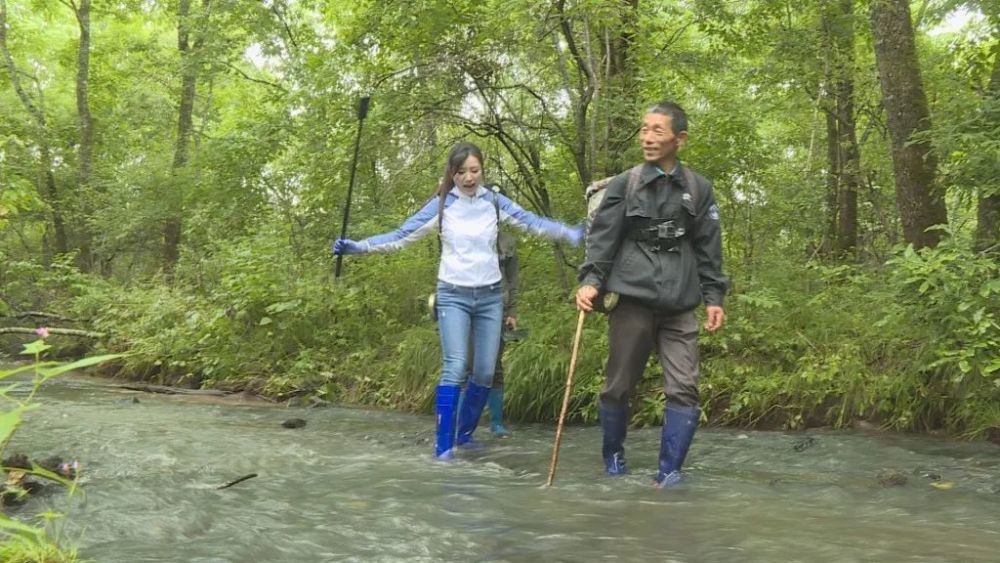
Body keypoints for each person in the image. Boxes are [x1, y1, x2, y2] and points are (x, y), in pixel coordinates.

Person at [333, 142, 582, 460]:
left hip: (491, 297)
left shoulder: (493, 201)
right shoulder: (441, 204)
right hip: (453, 295)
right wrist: (359, 246)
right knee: (455, 367)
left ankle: (463, 435)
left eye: (474, 170)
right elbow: (400, 236)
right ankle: (443, 447)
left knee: (484, 372)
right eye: (461, 172)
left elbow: (531, 221)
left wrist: (568, 232)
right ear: (452, 173)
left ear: (482, 170)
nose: (468, 177)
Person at [575, 101, 728, 487]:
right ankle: (613, 460)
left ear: (680, 139)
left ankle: (668, 473)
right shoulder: (623, 185)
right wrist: (591, 281)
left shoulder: (699, 189)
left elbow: (710, 248)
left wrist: (714, 297)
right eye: (644, 130)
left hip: (680, 305)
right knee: (618, 386)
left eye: (657, 131)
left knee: (684, 388)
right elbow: (602, 240)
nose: (647, 137)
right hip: (633, 301)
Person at [461, 225, 518, 438]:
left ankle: (496, 423)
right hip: (466, 307)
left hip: (498, 309)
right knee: (467, 366)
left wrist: (512, 311)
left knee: (495, 367)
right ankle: (460, 423)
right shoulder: (462, 233)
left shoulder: (508, 242)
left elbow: (513, 280)